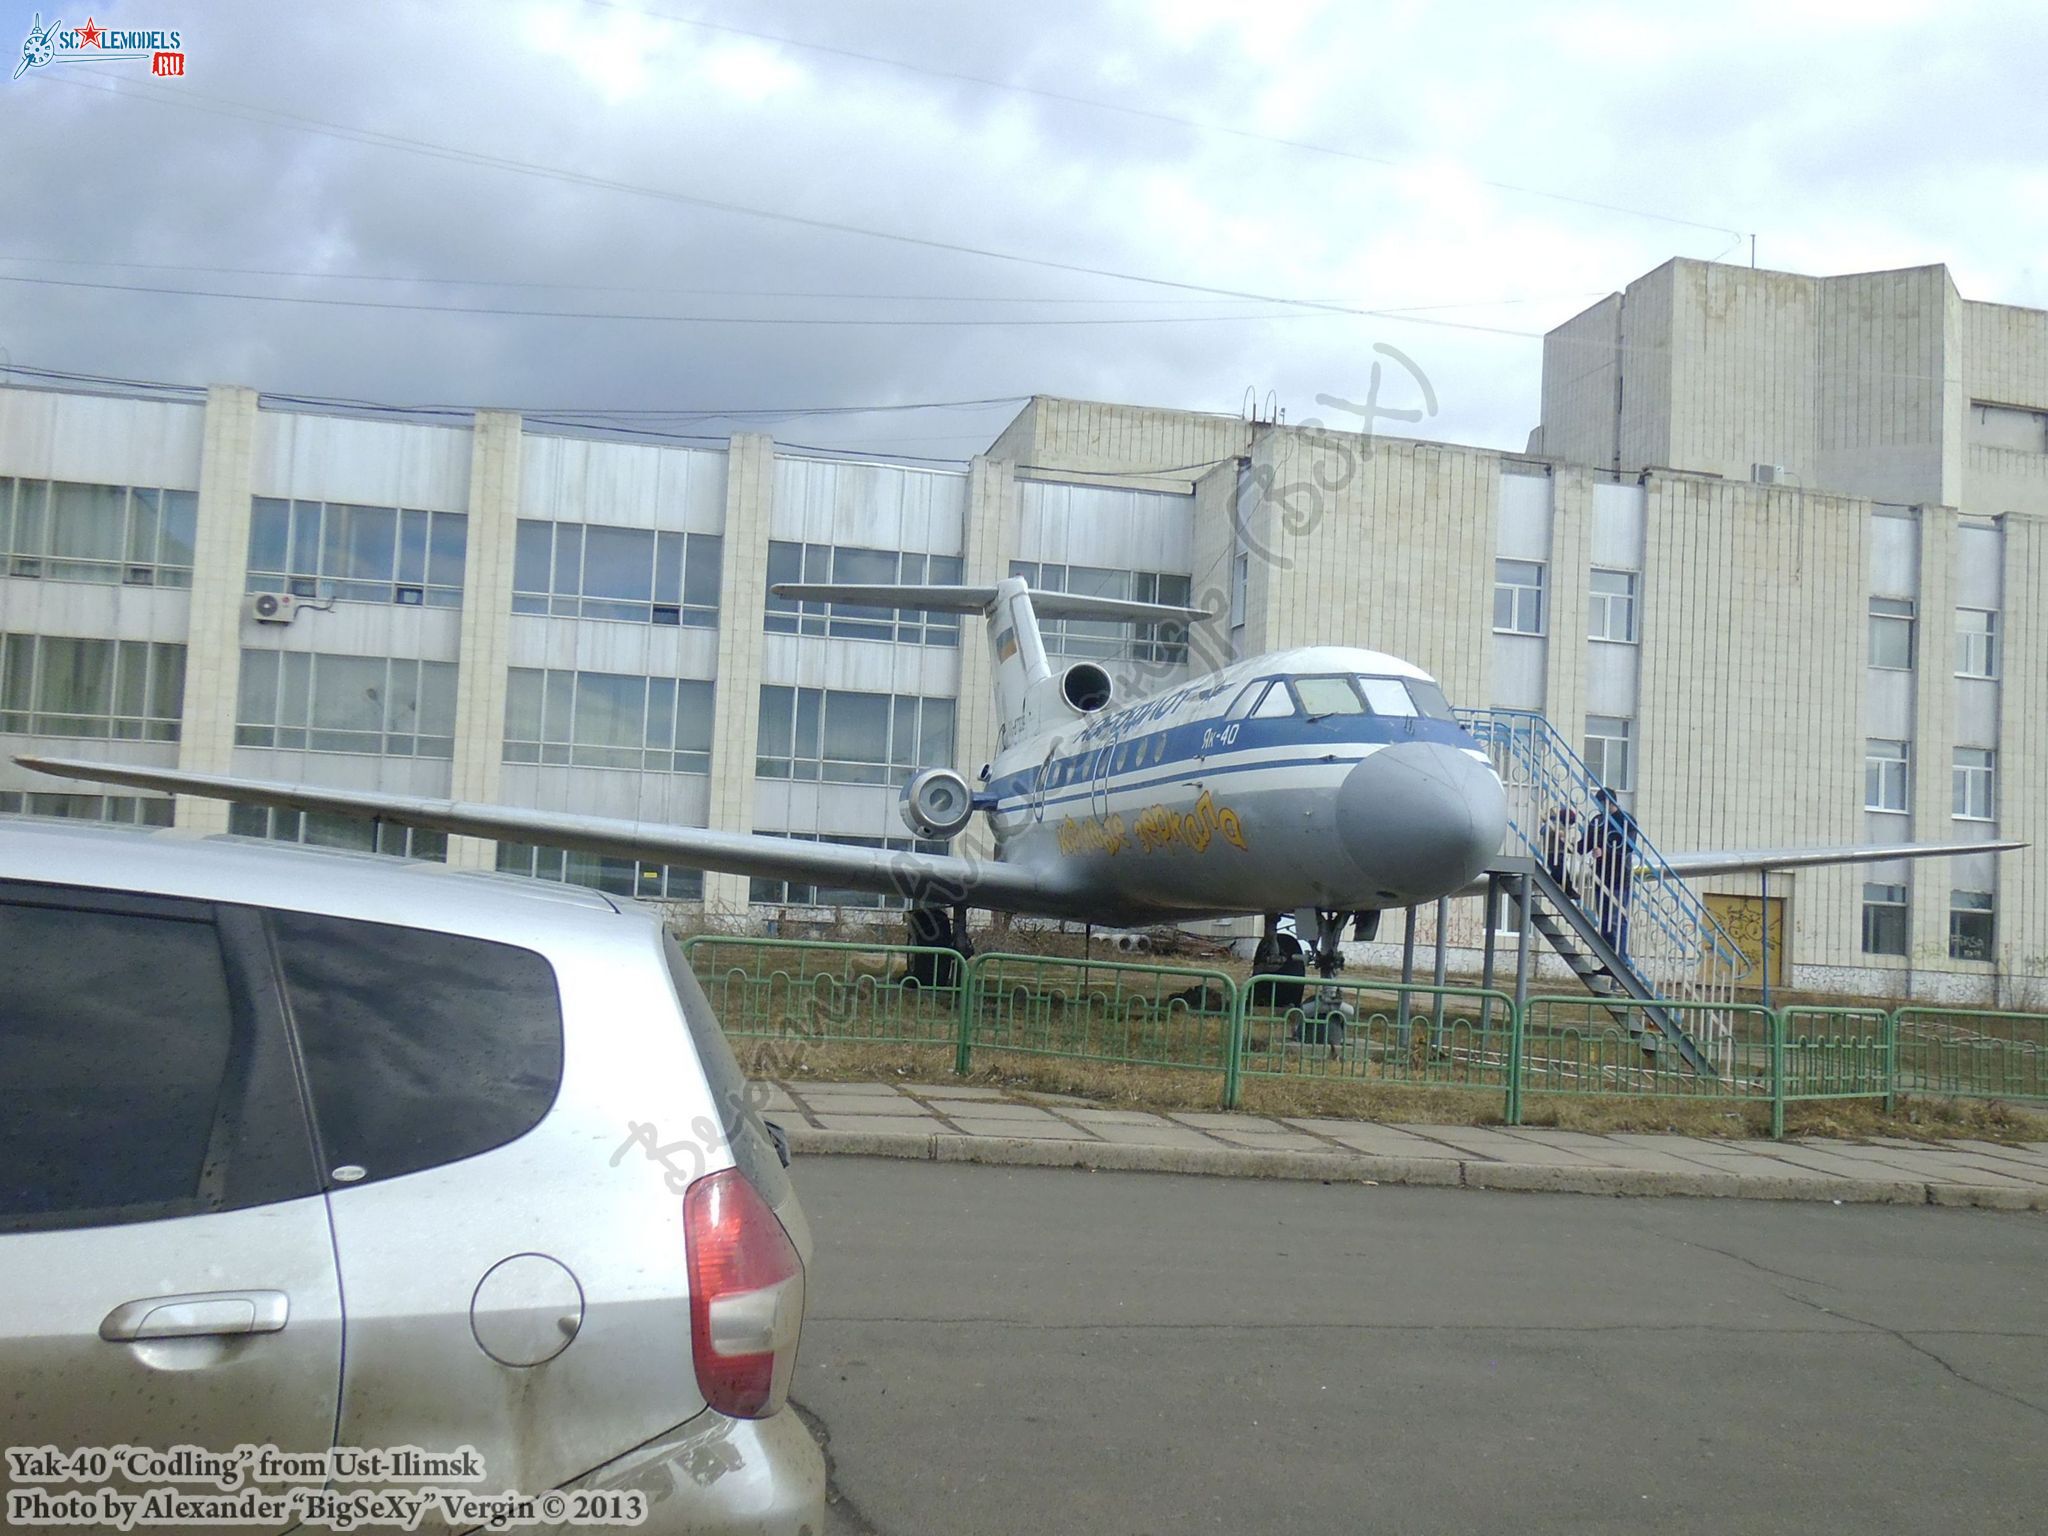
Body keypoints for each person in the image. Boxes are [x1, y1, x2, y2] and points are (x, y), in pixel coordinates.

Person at [1580, 788, 1638, 958]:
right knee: (1604, 922)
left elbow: (1628, 847)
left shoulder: (1625, 820)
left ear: (1609, 802)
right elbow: (1586, 844)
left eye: (1600, 803)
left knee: (1616, 920)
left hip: (1619, 877)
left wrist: (1605, 852)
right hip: (1601, 877)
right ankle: (1611, 959)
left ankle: (1620, 958)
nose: (1598, 807)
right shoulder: (1598, 820)